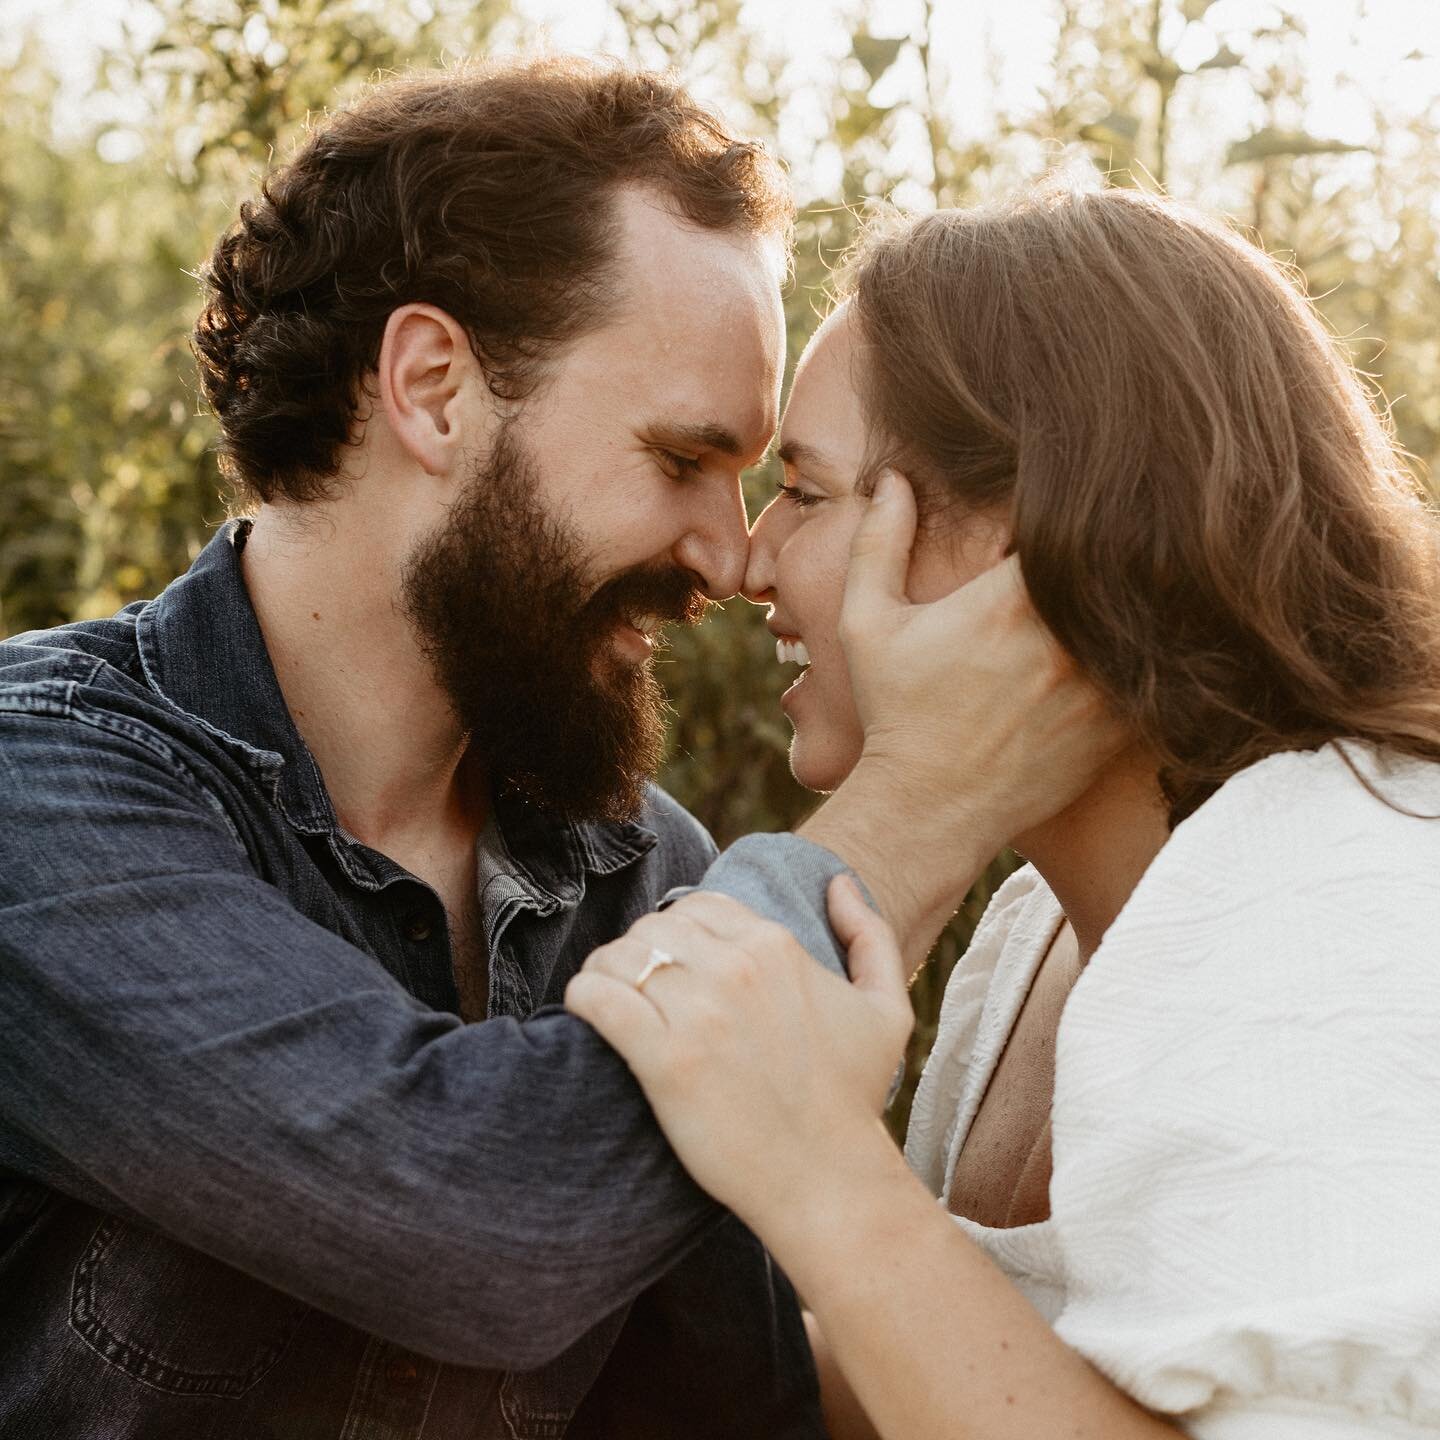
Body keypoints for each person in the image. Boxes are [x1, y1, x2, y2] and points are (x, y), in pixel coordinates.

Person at [0, 58, 1117, 1440]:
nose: (727, 553)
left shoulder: (646, 878)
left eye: (758, 477)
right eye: (680, 461)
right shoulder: (38, 794)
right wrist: (928, 802)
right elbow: (480, 1225)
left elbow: (726, 1417)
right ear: (433, 388)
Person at [568, 180, 1440, 1440]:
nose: (752, 560)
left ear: (1017, 538)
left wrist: (822, 1171)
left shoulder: (1341, 898)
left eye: (807, 494)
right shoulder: (1037, 928)